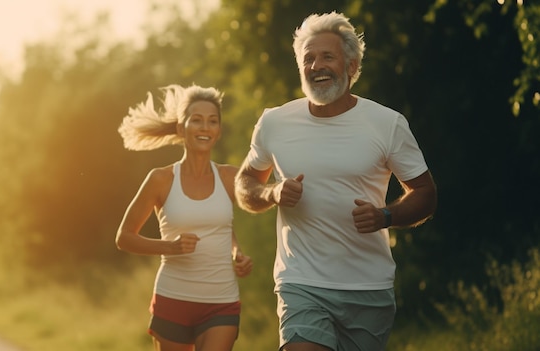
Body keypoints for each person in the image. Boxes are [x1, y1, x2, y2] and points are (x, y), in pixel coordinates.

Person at [234, 12, 437, 351]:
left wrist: (385, 216)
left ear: (352, 66)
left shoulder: (386, 123)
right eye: (308, 58)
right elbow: (245, 182)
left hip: (367, 287)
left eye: (327, 56)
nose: (316, 66)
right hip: (301, 281)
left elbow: (425, 194)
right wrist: (271, 192)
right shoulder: (275, 122)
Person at [115, 84, 253, 351]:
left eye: (213, 121)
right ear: (181, 128)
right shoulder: (161, 179)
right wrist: (170, 247)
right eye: (197, 120)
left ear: (219, 131)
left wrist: (236, 252)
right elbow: (124, 238)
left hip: (221, 301)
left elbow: (221, 227)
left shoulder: (230, 177)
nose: (205, 127)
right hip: (173, 299)